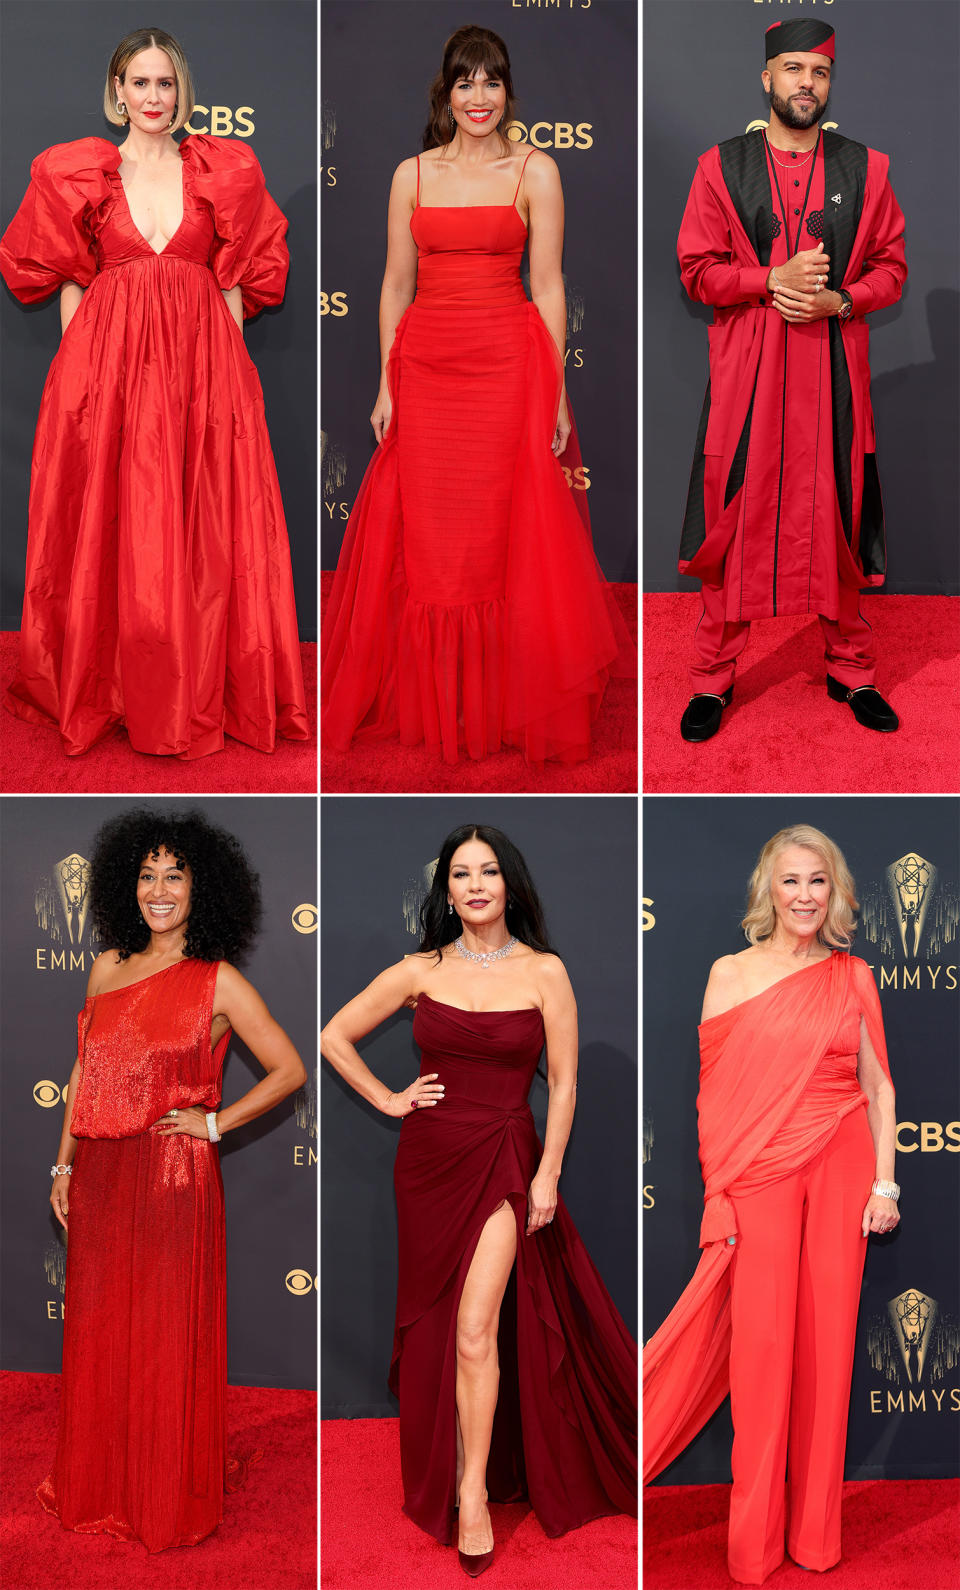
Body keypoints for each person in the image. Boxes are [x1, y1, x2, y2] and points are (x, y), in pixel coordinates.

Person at [320, 824, 637, 1575]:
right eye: (460, 874)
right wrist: (389, 1098)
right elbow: (334, 1036)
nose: (474, 885)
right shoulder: (420, 967)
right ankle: (457, 1470)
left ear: (509, 883)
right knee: (441, 1328)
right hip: (428, 1162)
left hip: (503, 1155)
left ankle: (471, 1492)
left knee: (473, 1328)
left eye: (487, 871)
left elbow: (562, 1081)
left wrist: (548, 1171)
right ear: (447, 890)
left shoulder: (544, 972)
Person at [321, 25, 633, 767]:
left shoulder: (537, 171)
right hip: (426, 370)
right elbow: (397, 286)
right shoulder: (413, 175)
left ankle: (502, 701)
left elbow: (549, 285)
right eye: (465, 82)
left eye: (491, 81)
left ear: (508, 90)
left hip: (507, 368)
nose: (479, 97)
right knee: (434, 548)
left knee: (503, 540)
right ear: (446, 93)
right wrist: (387, 381)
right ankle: (442, 702)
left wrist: (555, 391)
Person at [0, 27, 309, 758]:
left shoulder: (223, 169)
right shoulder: (80, 172)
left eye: (164, 83)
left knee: (205, 530)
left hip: (206, 374)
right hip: (107, 379)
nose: (152, 97)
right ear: (117, 92)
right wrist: (79, 388)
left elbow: (236, 278)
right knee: (119, 531)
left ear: (182, 92)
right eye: (139, 83)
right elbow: (71, 279)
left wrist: (236, 379)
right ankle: (113, 689)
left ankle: (207, 687)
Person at [43, 809, 308, 1551]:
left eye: (176, 876)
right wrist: (64, 1162)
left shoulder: (218, 982)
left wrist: (214, 1125)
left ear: (203, 888)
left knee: (162, 1339)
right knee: (101, 1332)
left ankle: (160, 1495)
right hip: (99, 1172)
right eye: (147, 875)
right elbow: (84, 1070)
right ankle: (101, 1482)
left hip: (171, 1178)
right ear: (128, 885)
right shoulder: (107, 968)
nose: (159, 891)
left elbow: (289, 1071)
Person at [643, 824, 899, 1585]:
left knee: (826, 1357)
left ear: (836, 892)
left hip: (844, 1159)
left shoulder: (853, 977)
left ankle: (817, 1540)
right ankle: (751, 1549)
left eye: (818, 881)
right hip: (756, 1174)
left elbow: (878, 1086)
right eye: (790, 881)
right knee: (760, 1358)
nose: (804, 896)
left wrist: (885, 1182)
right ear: (768, 889)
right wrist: (719, 1194)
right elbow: (712, 1101)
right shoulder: (729, 973)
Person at [675, 18, 907, 743]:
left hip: (832, 375)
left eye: (821, 72)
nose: (808, 83)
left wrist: (842, 299)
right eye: (795, 69)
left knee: (835, 513)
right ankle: (714, 680)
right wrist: (766, 279)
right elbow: (696, 271)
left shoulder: (868, 169)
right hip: (750, 375)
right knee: (737, 519)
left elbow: (893, 270)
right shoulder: (721, 166)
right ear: (767, 78)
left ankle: (851, 669)